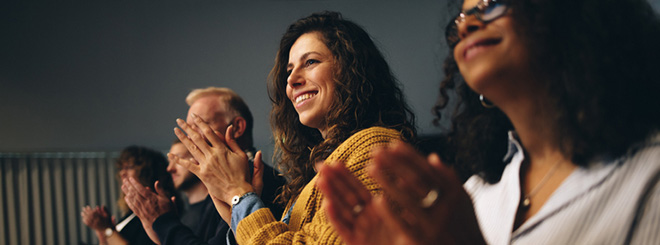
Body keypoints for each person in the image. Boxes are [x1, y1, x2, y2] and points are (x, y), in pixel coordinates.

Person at [318, 0, 660, 244]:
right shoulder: (475, 194)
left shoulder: (649, 174)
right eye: (462, 17)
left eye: (493, 4)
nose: (467, 23)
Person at [170, 11, 416, 244]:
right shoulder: (314, 171)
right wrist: (235, 210)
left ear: (353, 70)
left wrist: (239, 194)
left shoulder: (376, 147)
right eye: (289, 70)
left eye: (310, 62)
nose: (291, 80)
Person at [122, 87, 286, 245]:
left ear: (236, 127)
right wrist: (161, 234)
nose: (190, 139)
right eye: (187, 129)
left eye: (198, 125)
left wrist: (165, 223)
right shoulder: (221, 185)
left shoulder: (257, 180)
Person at [82, 145, 177, 245]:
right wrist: (102, 234)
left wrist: (107, 229)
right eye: (121, 168)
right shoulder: (132, 213)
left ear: (148, 173)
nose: (122, 173)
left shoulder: (157, 210)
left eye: (129, 167)